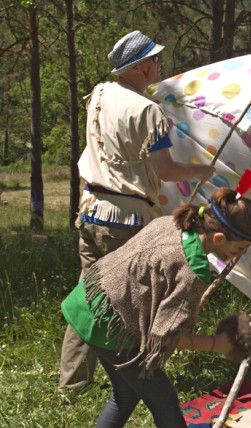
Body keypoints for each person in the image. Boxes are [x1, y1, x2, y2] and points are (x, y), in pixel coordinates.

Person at [59, 30, 215, 391]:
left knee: (90, 295)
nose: (161, 65)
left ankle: (72, 384)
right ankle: (134, 380)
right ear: (143, 67)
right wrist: (201, 170)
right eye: (157, 60)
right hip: (125, 220)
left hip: (92, 211)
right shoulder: (148, 111)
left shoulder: (99, 94)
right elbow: (166, 171)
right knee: (132, 303)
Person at [61, 187, 251, 428]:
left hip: (87, 299)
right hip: (109, 324)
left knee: (126, 394)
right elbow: (164, 338)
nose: (239, 255)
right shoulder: (193, 271)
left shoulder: (171, 222)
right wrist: (219, 344)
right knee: (164, 400)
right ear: (219, 236)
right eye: (239, 248)